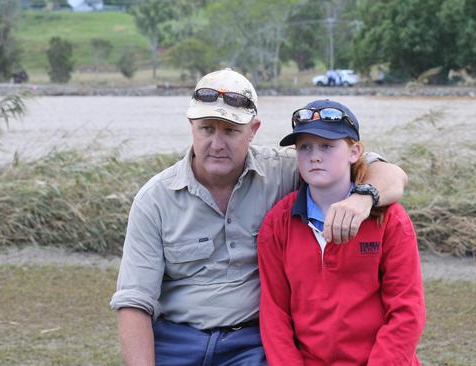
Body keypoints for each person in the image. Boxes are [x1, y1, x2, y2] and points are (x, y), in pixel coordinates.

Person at [110, 69, 409, 366]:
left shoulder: (288, 169)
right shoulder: (154, 199)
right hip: (176, 340)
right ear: (191, 125)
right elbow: (134, 301)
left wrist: (363, 198)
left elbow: (388, 172)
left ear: (253, 130)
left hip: (250, 343)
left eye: (230, 130)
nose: (216, 143)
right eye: (207, 128)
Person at [257, 99, 425, 365]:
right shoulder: (277, 224)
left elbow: (407, 311)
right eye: (305, 147)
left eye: (327, 146)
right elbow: (274, 315)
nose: (314, 155)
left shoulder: (390, 220)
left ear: (354, 152)